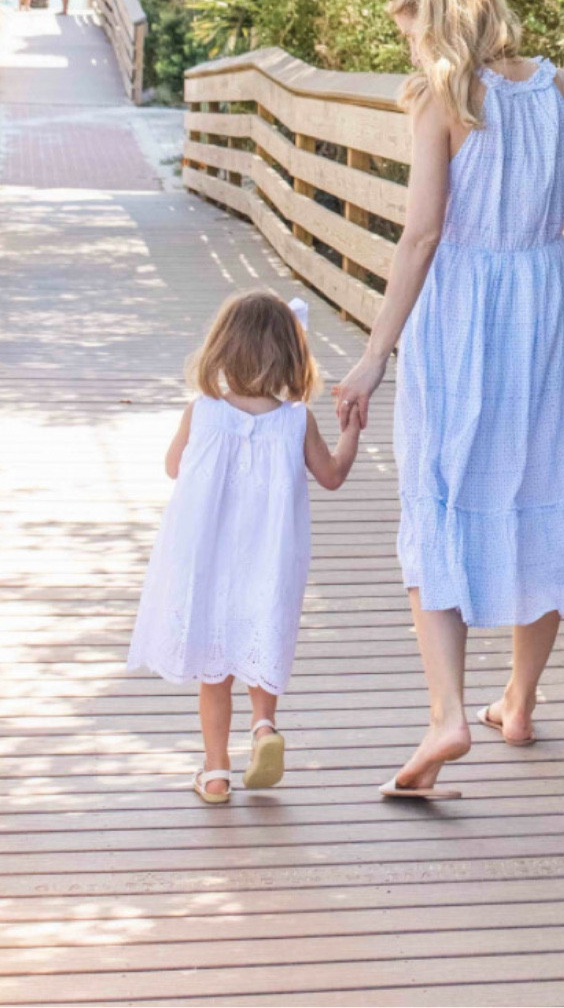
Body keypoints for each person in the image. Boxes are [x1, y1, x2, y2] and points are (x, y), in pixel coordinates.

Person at [332, 0, 564, 801]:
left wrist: (372, 356)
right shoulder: (563, 90)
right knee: (539, 485)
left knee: (435, 492)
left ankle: (448, 712)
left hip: (463, 312)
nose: (408, 50)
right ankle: (521, 702)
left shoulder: (445, 101)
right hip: (546, 310)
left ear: (441, 21)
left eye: (412, 31)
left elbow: (422, 238)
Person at [128, 292, 365, 803]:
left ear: (222, 350)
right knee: (264, 643)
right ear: (291, 355)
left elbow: (173, 467)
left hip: (211, 561)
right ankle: (263, 727)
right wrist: (350, 433)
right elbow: (332, 475)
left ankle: (215, 772)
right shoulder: (296, 420)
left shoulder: (203, 413)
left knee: (215, 672)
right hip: (270, 560)